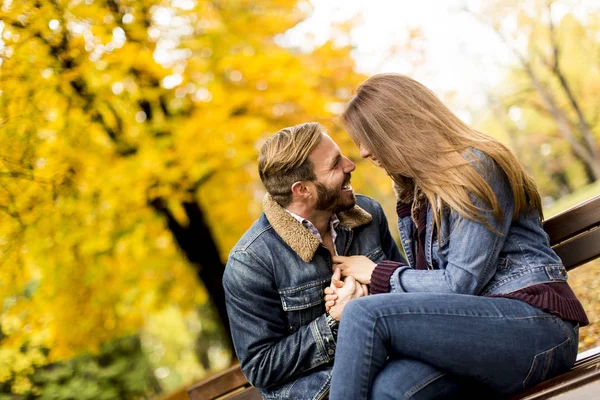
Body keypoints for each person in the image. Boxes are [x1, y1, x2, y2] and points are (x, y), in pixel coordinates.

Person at [324, 74, 589, 399]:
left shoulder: (476, 167)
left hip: (536, 328)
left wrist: (377, 275)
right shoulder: (415, 194)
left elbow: (459, 284)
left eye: (368, 137)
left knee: (364, 315)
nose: (363, 152)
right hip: (480, 336)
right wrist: (364, 290)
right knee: (390, 390)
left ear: (397, 126)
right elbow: (434, 293)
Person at [223, 122, 404, 400]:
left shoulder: (368, 214)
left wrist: (378, 282)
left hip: (393, 368)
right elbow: (261, 366)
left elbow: (411, 294)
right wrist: (336, 319)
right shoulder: (251, 262)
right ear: (302, 190)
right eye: (334, 165)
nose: (350, 165)